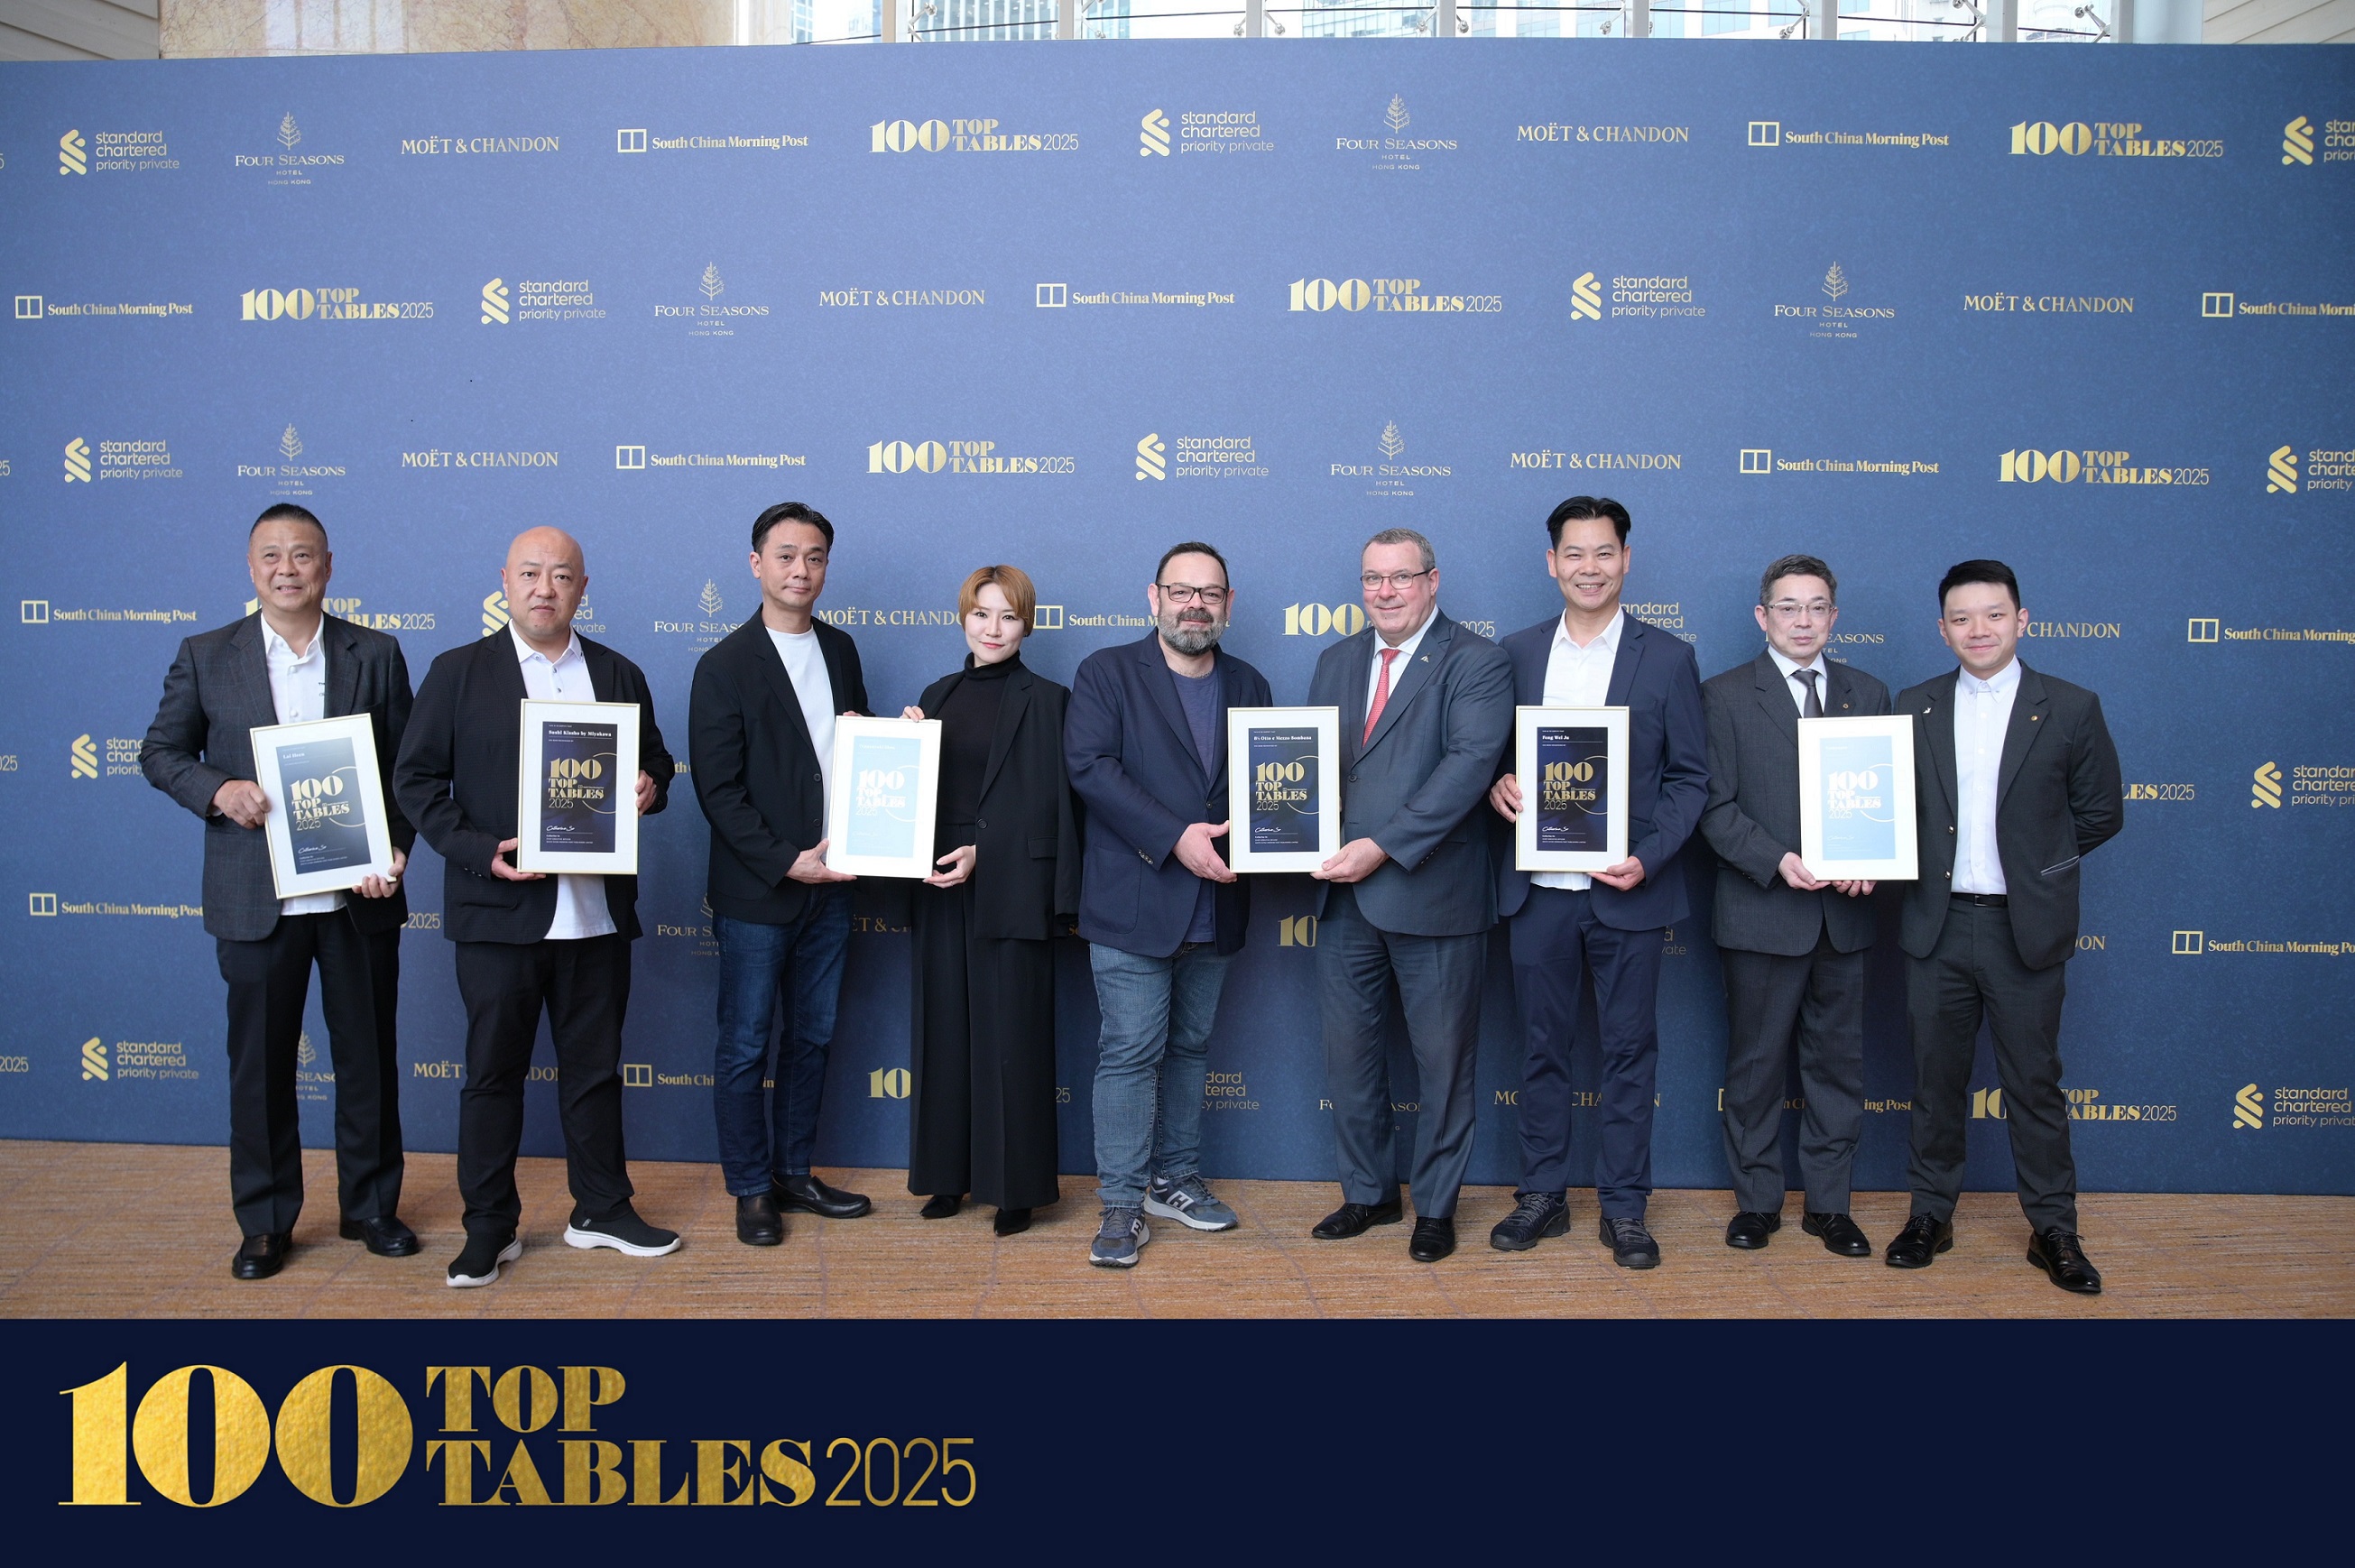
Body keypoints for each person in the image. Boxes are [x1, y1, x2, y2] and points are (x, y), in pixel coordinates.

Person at [393, 526, 679, 1287]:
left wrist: (650, 785)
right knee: (493, 1075)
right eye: (530, 574)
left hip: (596, 915)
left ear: (583, 587)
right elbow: (415, 781)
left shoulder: (617, 672)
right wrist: (478, 848)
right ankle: (489, 1226)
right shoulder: (457, 672)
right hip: (498, 911)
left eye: (561, 575)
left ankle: (602, 1209)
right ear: (505, 582)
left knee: (595, 1071)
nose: (544, 588)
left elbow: (654, 761)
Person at [141, 503, 418, 1280]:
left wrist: (395, 846)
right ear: (251, 567)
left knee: (368, 1060)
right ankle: (264, 1222)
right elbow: (160, 752)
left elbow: (408, 769)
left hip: (358, 897)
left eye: (302, 555)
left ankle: (371, 1207)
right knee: (259, 1068)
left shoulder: (376, 652)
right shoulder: (206, 654)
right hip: (254, 900)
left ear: (328, 566)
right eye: (272, 555)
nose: (287, 569)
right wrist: (216, 788)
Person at [1888, 559, 2122, 1293]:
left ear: (2022, 620)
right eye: (1962, 618)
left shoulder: (2071, 706)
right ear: (1943, 629)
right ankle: (1930, 1215)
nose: (1978, 629)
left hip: (2025, 929)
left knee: (2034, 1085)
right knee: (1936, 1081)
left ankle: (2054, 1229)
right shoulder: (1915, 705)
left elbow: (2101, 812)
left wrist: (2038, 867)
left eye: (1993, 615)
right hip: (1937, 925)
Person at [1486, 497, 1706, 1269]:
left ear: (1626, 560)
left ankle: (1624, 1208)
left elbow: (1690, 778)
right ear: (1552, 563)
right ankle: (1541, 1195)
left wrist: (1649, 856)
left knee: (1629, 1053)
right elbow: (1488, 755)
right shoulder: (1514, 653)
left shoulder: (1669, 657)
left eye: (1604, 552)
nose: (1590, 568)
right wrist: (1497, 784)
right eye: (1574, 554)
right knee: (1540, 1049)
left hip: (1628, 889)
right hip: (1538, 892)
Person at [1305, 527, 1513, 1265]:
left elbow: (1468, 768)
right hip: (1343, 898)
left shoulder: (1477, 660)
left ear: (1432, 581)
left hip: (1435, 894)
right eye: (1372, 578)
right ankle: (1368, 1193)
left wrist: (1383, 846)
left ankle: (1437, 1207)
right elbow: (1315, 767)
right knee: (1350, 1059)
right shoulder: (1335, 660)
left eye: (1400, 577)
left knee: (1444, 1065)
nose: (1385, 592)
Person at [1065, 542, 1273, 1268]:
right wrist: (1174, 836)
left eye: (1210, 593)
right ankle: (1121, 1204)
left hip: (1217, 897)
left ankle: (1174, 1180)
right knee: (1130, 1051)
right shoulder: (1107, 672)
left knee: (1189, 1048)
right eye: (1181, 591)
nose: (1195, 605)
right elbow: (1090, 768)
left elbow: (1270, 784)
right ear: (1154, 598)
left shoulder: (1250, 684)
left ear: (1228, 604)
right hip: (1134, 899)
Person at [688, 502, 875, 1247]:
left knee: (814, 1036)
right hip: (758, 892)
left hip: (835, 884)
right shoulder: (723, 665)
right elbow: (718, 791)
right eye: (787, 555)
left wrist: (900, 745)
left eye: (816, 557)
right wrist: (784, 860)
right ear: (756, 563)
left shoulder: (841, 650)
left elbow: (857, 754)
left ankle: (795, 1173)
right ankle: (750, 1188)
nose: (802, 570)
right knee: (745, 1044)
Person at [1697, 554, 1889, 1259]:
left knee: (1837, 1068)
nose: (1802, 620)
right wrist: (1776, 859)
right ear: (1763, 616)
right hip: (1761, 911)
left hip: (1845, 918)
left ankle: (1830, 1206)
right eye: (1788, 607)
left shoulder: (1869, 693)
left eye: (1816, 607)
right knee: (1754, 1069)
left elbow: (1886, 799)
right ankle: (1757, 1204)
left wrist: (1873, 862)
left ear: (1834, 617)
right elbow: (1712, 807)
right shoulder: (1722, 696)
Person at [897, 566, 1080, 1237]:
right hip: (938, 884)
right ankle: (947, 1178)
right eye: (981, 614)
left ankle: (1014, 1190)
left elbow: (1054, 807)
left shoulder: (1052, 700)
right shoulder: (935, 696)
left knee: (1013, 1043)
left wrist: (984, 852)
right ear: (963, 618)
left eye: (1008, 616)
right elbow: (913, 792)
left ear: (1027, 624)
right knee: (943, 1031)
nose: (993, 628)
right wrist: (900, 745)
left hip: (1014, 886)